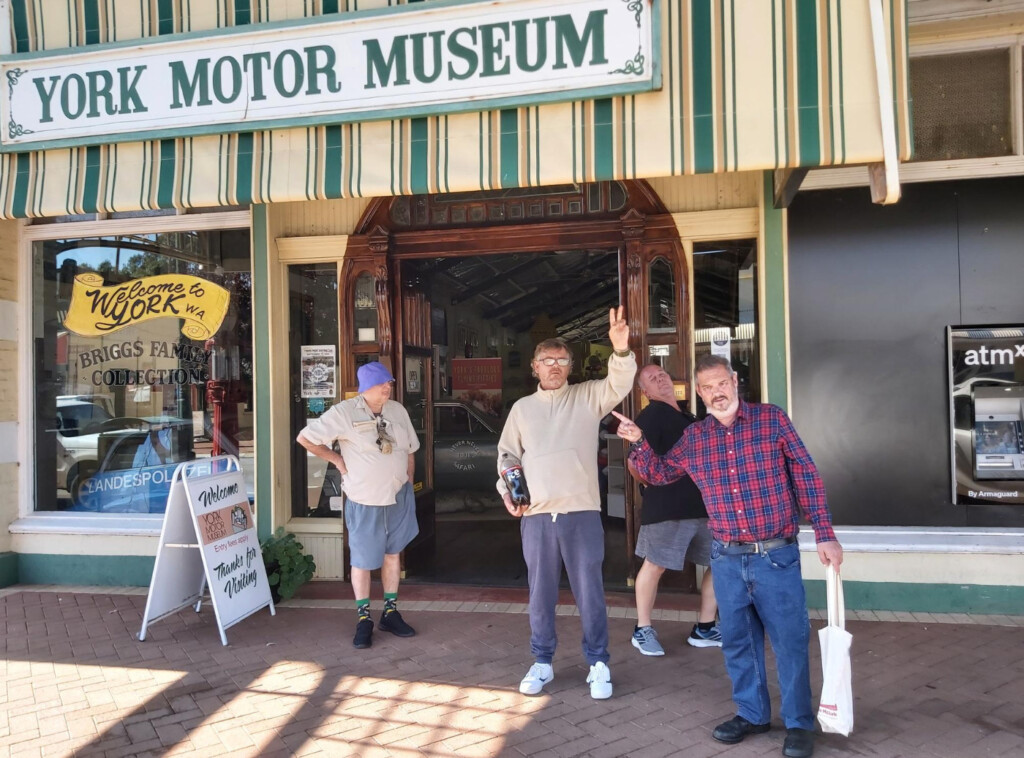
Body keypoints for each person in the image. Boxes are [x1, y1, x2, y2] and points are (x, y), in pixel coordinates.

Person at [613, 354, 843, 758]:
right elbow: (662, 473)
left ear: (734, 382)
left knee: (789, 641)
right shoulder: (697, 436)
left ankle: (798, 723)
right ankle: (752, 714)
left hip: (776, 555)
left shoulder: (772, 420)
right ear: (699, 394)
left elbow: (806, 472)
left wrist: (824, 533)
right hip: (726, 557)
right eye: (707, 388)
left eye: (721, 383)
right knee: (737, 640)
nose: (716, 393)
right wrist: (638, 443)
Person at [497, 307, 636, 700]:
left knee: (589, 592)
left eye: (561, 360)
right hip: (537, 515)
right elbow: (507, 456)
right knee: (539, 594)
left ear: (570, 366)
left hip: (581, 512)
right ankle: (542, 662)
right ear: (534, 367)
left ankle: (599, 663)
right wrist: (509, 493)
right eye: (546, 360)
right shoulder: (522, 408)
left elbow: (619, 382)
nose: (554, 366)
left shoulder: (589, 396)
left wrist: (621, 350)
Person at [297, 361, 420, 650]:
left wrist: (408, 479)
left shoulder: (397, 410)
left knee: (393, 555)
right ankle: (363, 618)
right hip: (365, 500)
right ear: (366, 388)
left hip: (397, 497)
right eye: (381, 385)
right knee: (363, 561)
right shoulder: (344, 412)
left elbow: (411, 449)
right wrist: (338, 461)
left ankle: (390, 612)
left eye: (389, 383)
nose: (387, 388)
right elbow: (306, 438)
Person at [628, 364, 721, 656]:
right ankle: (642, 629)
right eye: (652, 379)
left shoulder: (688, 417)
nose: (660, 379)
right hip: (667, 509)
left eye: (663, 375)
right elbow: (634, 461)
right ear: (646, 392)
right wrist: (651, 483)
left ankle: (705, 628)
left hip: (703, 508)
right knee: (654, 566)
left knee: (719, 563)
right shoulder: (650, 416)